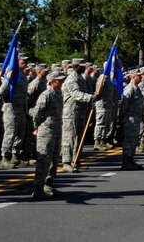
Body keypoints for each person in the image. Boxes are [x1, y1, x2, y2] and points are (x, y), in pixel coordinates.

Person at [31, 70, 66, 200]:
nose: (61, 82)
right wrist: (37, 127)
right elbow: (37, 113)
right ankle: (38, 189)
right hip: (46, 131)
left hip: (56, 130)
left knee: (54, 160)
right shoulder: (46, 95)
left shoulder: (59, 94)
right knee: (44, 160)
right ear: (52, 82)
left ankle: (48, 185)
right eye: (59, 80)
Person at [61, 60, 96, 172]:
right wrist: (90, 97)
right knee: (69, 137)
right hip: (71, 112)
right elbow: (76, 94)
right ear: (76, 66)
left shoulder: (81, 78)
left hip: (81, 111)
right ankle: (66, 162)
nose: (85, 68)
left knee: (80, 137)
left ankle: (76, 160)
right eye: (82, 66)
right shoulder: (72, 78)